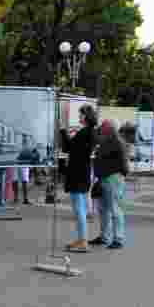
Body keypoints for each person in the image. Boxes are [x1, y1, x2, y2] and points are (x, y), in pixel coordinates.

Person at [59, 105, 98, 252]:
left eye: (81, 114)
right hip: (83, 172)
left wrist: (63, 131)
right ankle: (81, 239)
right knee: (79, 207)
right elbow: (73, 148)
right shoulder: (89, 132)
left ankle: (83, 241)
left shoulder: (85, 132)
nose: (79, 117)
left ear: (86, 116)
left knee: (79, 208)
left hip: (78, 173)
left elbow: (68, 148)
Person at [91, 121, 129, 249]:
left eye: (103, 127)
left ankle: (118, 238)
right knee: (104, 209)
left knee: (114, 209)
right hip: (104, 178)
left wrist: (121, 175)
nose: (101, 128)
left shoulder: (117, 141)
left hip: (113, 178)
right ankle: (104, 236)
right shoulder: (106, 140)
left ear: (110, 129)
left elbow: (124, 162)